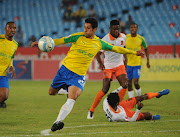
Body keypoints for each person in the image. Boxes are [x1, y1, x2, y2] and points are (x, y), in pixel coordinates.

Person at [31, 18, 144, 132]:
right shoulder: (77, 36)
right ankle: (67, 90)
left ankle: (57, 122)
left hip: (78, 76)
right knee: (51, 92)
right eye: (84, 27)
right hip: (64, 71)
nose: (85, 30)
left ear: (95, 29)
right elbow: (61, 40)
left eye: (88, 28)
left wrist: (134, 52)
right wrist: (42, 44)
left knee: (72, 98)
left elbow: (117, 49)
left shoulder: (99, 43)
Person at [87, 20, 128, 119]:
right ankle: (91, 110)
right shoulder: (105, 39)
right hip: (108, 66)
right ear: (110, 28)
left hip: (119, 65)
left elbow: (124, 47)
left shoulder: (123, 36)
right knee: (105, 89)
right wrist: (101, 64)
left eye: (118, 29)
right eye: (114, 29)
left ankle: (117, 107)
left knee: (125, 85)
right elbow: (97, 53)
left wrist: (125, 59)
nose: (116, 31)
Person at [103, 88, 170, 122]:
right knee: (147, 115)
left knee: (141, 97)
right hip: (125, 113)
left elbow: (113, 93)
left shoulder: (106, 101)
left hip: (121, 106)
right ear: (117, 103)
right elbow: (132, 120)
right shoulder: (119, 116)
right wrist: (138, 109)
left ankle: (158, 94)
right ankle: (152, 118)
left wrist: (122, 87)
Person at [126, 23, 150, 98]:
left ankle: (139, 98)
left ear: (137, 29)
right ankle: (131, 100)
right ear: (129, 29)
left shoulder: (141, 39)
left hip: (137, 65)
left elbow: (146, 49)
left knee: (135, 82)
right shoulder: (125, 38)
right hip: (128, 65)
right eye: (131, 27)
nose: (133, 29)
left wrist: (148, 61)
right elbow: (122, 49)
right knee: (129, 84)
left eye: (134, 27)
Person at [0, 22, 18, 108]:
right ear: (5, 29)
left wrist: (11, 66)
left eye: (14, 28)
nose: (12, 30)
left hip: (2, 74)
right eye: (10, 28)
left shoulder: (15, 44)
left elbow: (11, 58)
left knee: (4, 96)